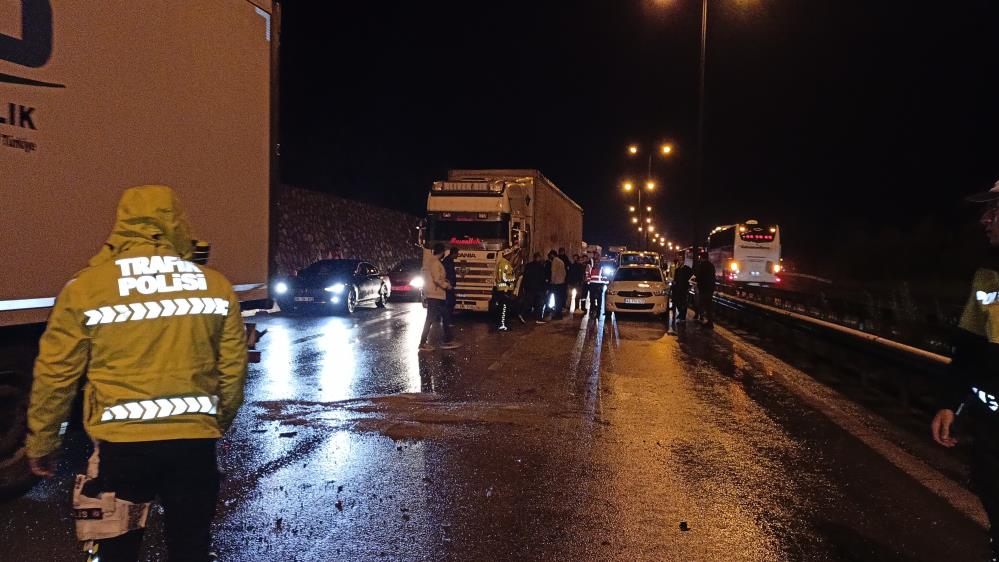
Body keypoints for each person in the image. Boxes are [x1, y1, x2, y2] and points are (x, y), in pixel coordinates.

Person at [26, 185, 248, 562]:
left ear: (122, 224)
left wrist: (43, 442)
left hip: (121, 451)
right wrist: (213, 424)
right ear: (177, 222)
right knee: (190, 547)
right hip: (192, 447)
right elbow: (232, 371)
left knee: (117, 551)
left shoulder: (86, 288)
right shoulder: (215, 286)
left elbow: (56, 374)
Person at [931, 180, 999, 562]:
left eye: (994, 210)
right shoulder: (986, 276)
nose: (984, 220)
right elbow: (969, 349)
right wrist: (948, 403)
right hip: (991, 434)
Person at [420, 244, 460, 350]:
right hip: (435, 294)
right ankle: (424, 343)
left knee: (444, 316)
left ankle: (447, 340)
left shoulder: (429, 262)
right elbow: (437, 279)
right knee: (431, 318)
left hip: (434, 293)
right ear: (442, 252)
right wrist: (447, 285)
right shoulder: (435, 263)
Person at [520, 252, 548, 324]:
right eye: (540, 257)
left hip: (529, 288)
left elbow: (525, 277)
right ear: (538, 258)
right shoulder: (540, 267)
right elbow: (542, 278)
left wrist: (524, 286)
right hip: (538, 288)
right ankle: (538, 318)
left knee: (528, 302)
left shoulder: (528, 265)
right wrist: (545, 288)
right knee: (539, 304)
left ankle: (522, 315)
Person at [693, 251, 716, 328]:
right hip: (710, 288)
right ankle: (710, 321)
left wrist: (695, 280)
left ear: (702, 257)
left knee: (704, 304)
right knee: (709, 305)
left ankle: (708, 322)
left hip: (704, 288)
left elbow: (699, 277)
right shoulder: (711, 265)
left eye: (700, 257)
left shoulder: (702, 266)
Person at [493, 253, 516, 330]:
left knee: (502, 307)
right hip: (505, 289)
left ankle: (502, 324)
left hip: (501, 289)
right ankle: (503, 325)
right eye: (510, 255)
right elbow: (504, 277)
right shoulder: (505, 264)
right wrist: (512, 280)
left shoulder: (500, 263)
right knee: (505, 308)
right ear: (508, 256)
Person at [671, 258, 694, 327]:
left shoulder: (687, 269)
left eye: (681, 260)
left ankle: (682, 317)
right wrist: (674, 283)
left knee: (683, 302)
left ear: (683, 261)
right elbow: (675, 279)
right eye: (679, 261)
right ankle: (681, 314)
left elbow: (692, 277)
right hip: (677, 288)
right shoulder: (677, 270)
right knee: (677, 302)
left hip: (684, 289)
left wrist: (689, 285)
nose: (680, 262)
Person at [548, 250, 567, 320]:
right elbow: (564, 273)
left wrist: (552, 281)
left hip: (556, 283)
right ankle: (559, 314)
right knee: (559, 299)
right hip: (561, 283)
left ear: (552, 255)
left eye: (550, 255)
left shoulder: (555, 261)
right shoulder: (561, 261)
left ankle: (557, 315)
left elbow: (553, 272)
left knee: (556, 299)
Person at [442, 246, 458, 323]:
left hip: (449, 284)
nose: (458, 255)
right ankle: (447, 319)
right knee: (451, 302)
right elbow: (447, 273)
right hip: (448, 285)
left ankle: (447, 318)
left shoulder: (449, 260)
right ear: (454, 253)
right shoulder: (448, 261)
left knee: (451, 301)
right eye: (457, 253)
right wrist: (449, 282)